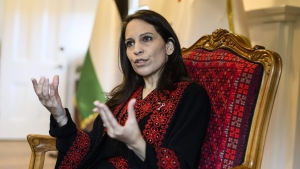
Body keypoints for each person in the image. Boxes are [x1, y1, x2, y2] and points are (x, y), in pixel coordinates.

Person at [31, 10, 211, 169]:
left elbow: (182, 163)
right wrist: (60, 116)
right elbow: (90, 147)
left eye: (146, 39)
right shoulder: (122, 98)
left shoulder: (191, 96)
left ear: (169, 47)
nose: (136, 50)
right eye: (129, 43)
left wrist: (136, 143)